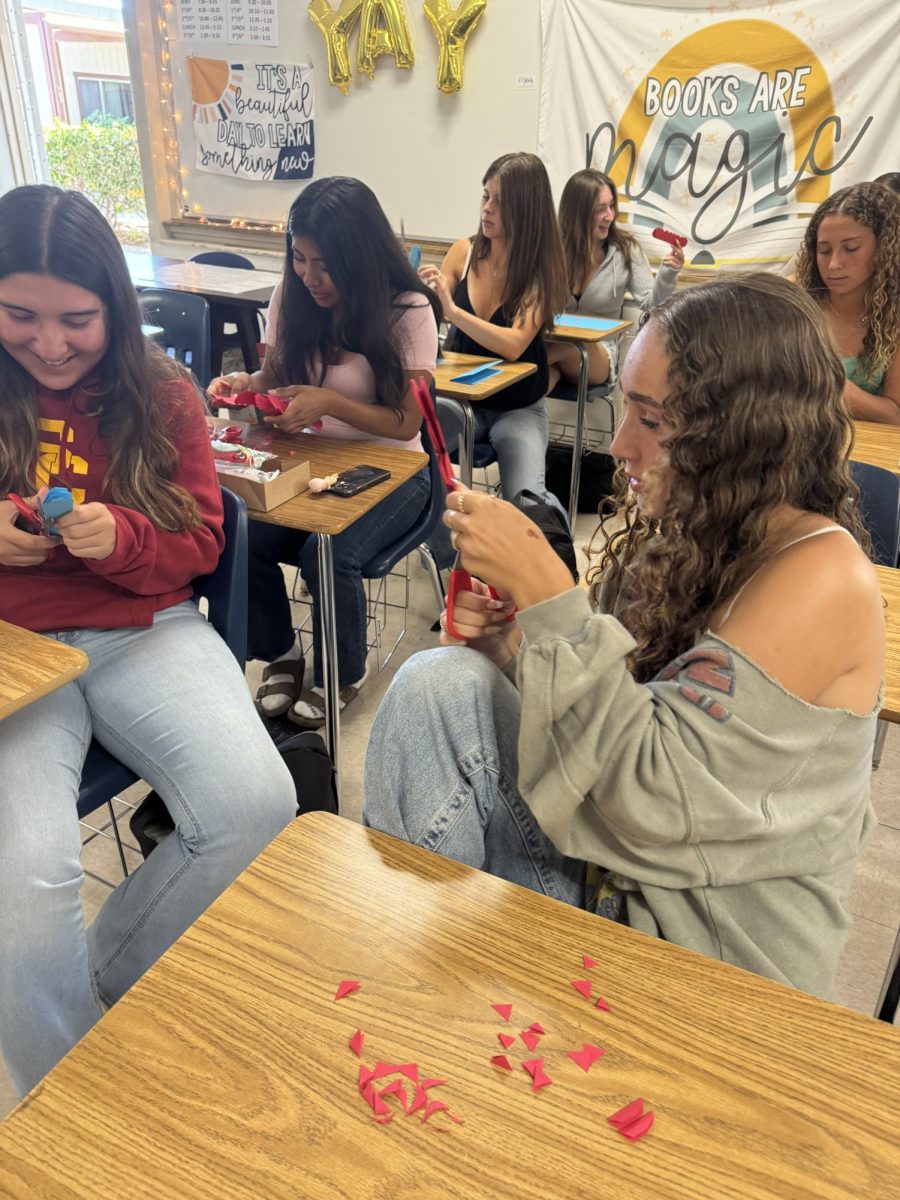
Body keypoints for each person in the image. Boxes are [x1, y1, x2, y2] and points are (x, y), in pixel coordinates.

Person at [364, 273, 883, 1001]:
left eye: (652, 420)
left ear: (740, 432)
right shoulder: (694, 531)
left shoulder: (825, 578)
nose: (619, 444)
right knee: (437, 686)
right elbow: (615, 707)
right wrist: (518, 647)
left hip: (705, 956)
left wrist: (549, 593)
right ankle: (419, 976)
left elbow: (649, 802)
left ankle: (435, 982)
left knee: (443, 695)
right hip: (621, 877)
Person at [0, 185, 297, 1098]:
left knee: (256, 801)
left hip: (146, 627)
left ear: (114, 310)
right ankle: (78, 1098)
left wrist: (124, 538)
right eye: (19, 315)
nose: (49, 344)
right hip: (16, 651)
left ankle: (84, 1020)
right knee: (20, 894)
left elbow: (203, 543)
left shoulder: (162, 392)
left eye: (76, 320)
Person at [209, 177, 440, 726]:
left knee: (328, 551)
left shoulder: (409, 309)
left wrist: (328, 403)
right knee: (238, 530)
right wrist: (246, 384)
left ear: (360, 258)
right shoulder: (293, 294)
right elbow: (277, 373)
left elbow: (408, 421)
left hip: (397, 469)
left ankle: (343, 673)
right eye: (299, 259)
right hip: (317, 462)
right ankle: (282, 653)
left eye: (326, 264)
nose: (310, 277)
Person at [418, 151, 568, 516]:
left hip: (516, 407)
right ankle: (448, 561)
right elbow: (432, 314)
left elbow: (515, 344)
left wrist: (453, 312)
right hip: (458, 401)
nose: (487, 208)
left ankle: (554, 548)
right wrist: (424, 293)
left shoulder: (541, 267)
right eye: (485, 196)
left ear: (525, 209)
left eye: (500, 203)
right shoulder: (463, 252)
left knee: (527, 502)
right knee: (417, 474)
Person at [546, 168, 683, 391]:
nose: (610, 215)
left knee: (552, 352)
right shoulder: (551, 250)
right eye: (601, 209)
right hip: (553, 346)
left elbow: (651, 305)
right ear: (578, 212)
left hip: (597, 355)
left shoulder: (626, 250)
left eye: (612, 206)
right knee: (543, 379)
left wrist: (668, 273)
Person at [796, 181, 900, 424]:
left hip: (872, 454)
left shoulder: (895, 319)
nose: (833, 265)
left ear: (885, 250)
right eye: (823, 251)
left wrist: (823, 377)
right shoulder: (794, 302)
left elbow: (895, 416)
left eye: (851, 248)